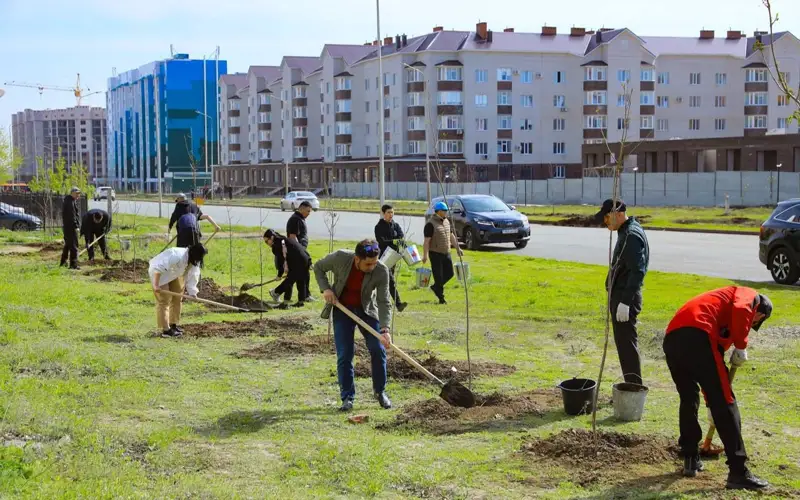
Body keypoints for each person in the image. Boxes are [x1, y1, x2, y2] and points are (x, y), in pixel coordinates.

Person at [663, 287, 772, 490]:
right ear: (759, 313)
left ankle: (690, 457)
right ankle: (738, 471)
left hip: (673, 338)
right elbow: (741, 309)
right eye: (755, 322)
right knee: (726, 401)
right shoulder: (750, 295)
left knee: (688, 397)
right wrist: (741, 345)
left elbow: (710, 367)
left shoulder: (718, 309)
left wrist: (709, 404)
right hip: (698, 334)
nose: (751, 325)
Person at [314, 239, 393, 412]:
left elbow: (384, 301)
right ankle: (347, 398)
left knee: (378, 349)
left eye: (374, 262)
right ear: (357, 259)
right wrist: (326, 289)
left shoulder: (381, 270)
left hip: (367, 311)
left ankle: (380, 392)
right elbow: (318, 266)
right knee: (345, 354)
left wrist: (385, 329)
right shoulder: (341, 258)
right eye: (368, 263)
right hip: (343, 310)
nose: (372, 266)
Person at [594, 198, 649, 385]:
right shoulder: (625, 231)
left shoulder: (631, 236)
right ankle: (631, 383)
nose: (605, 223)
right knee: (624, 344)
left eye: (607, 218)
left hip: (626, 299)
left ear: (618, 214)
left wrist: (625, 302)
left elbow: (637, 271)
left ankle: (633, 387)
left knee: (626, 345)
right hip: (621, 296)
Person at [148, 242, 207, 338]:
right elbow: (158, 268)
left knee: (177, 297)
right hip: (159, 274)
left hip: (174, 273)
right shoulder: (176, 255)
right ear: (192, 253)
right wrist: (155, 285)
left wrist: (193, 292)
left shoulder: (194, 259)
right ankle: (166, 330)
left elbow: (193, 274)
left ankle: (173, 324)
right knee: (164, 301)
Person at [422, 201, 462, 305]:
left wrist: (458, 248)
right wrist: (425, 255)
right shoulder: (430, 224)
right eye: (444, 211)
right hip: (435, 254)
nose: (446, 213)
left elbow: (451, 236)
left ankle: (436, 287)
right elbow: (426, 241)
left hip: (446, 252)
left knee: (450, 273)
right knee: (438, 276)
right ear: (439, 211)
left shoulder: (446, 221)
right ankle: (441, 298)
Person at [264, 229, 311, 308]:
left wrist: (279, 274)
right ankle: (301, 302)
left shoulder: (276, 245)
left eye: (266, 241)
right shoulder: (285, 239)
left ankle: (284, 302)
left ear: (271, 238)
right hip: (306, 259)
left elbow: (280, 261)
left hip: (298, 261)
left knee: (290, 280)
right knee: (300, 280)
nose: (266, 243)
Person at [374, 204, 408, 312]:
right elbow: (382, 241)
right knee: (390, 280)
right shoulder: (379, 227)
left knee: (387, 281)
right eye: (388, 212)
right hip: (383, 257)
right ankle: (398, 304)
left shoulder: (395, 225)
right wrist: (393, 241)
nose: (391, 214)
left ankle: (382, 302)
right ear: (383, 213)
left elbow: (401, 236)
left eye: (392, 212)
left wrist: (397, 241)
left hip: (394, 256)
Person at [287, 201, 314, 302]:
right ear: (301, 208)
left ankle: (305, 295)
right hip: (297, 251)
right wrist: (301, 251)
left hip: (300, 250)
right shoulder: (295, 220)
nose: (309, 214)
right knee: (300, 274)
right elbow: (293, 237)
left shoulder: (299, 219)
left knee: (302, 274)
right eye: (308, 211)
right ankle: (277, 292)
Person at [60, 187, 82, 270]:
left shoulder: (70, 201)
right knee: (74, 246)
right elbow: (72, 216)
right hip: (71, 227)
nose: (78, 195)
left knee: (68, 245)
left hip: (68, 227)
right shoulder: (70, 203)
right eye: (77, 194)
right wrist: (76, 226)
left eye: (79, 194)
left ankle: (63, 262)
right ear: (72, 193)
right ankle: (73, 264)